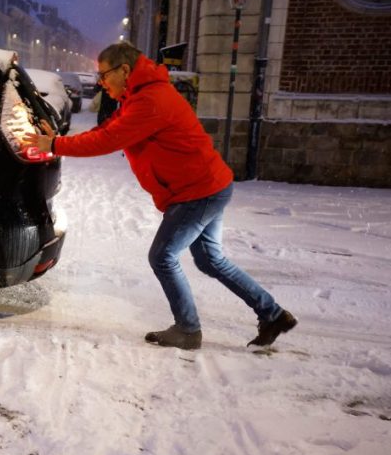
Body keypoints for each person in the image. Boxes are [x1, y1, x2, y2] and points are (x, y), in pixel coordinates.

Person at [22, 42, 297, 351]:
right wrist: (58, 138)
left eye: (104, 74)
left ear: (124, 70)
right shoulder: (139, 95)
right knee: (210, 260)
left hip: (197, 191)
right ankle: (272, 314)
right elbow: (111, 127)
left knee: (163, 257)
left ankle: (188, 329)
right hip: (206, 186)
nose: (101, 82)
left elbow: (109, 139)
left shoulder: (151, 99)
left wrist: (56, 146)